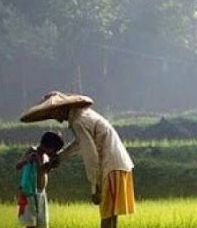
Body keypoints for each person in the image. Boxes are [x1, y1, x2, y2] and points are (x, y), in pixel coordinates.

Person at [20, 91, 135, 228]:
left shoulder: (78, 122)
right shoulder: (84, 115)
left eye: (54, 113)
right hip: (119, 163)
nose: (56, 119)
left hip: (110, 166)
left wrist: (94, 187)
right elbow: (80, 143)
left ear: (61, 108)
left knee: (106, 214)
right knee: (111, 215)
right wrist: (60, 157)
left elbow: (90, 154)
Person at [15, 131, 65, 228]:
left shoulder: (46, 156)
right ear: (48, 147)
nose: (54, 153)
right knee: (31, 224)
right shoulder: (32, 151)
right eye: (54, 150)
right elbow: (18, 166)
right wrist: (27, 160)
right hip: (30, 193)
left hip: (41, 194)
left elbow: (44, 171)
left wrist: (51, 165)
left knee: (42, 224)